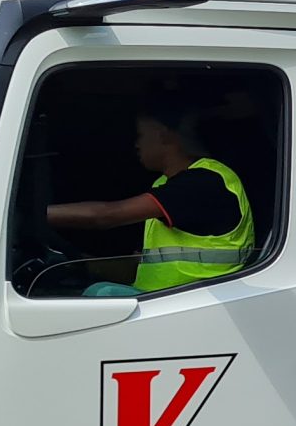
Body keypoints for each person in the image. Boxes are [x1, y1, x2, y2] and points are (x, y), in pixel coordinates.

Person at [44, 96, 254, 293]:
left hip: (191, 305)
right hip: (163, 302)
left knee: (99, 295)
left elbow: (105, 216)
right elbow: (140, 267)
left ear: (165, 136)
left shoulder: (203, 182)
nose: (136, 144)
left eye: (141, 135)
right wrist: (77, 263)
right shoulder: (166, 183)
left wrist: (34, 215)